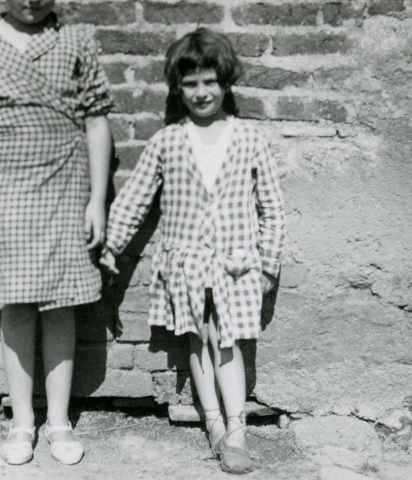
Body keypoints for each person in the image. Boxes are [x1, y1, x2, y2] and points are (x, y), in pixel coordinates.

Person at [100, 28, 285, 475]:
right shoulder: (167, 141)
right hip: (183, 263)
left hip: (235, 265)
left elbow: (272, 206)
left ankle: (237, 428)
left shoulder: (248, 138)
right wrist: (110, 249)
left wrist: (268, 262)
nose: (201, 93)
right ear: (178, 88)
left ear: (225, 84)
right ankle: (214, 422)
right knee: (196, 340)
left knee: (228, 341)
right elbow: (134, 201)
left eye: (209, 82)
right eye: (190, 84)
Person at [0, 0, 112, 466]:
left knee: (60, 303)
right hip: (4, 192)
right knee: (16, 304)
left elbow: (98, 121)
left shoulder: (74, 41)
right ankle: (22, 422)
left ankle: (58, 420)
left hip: (65, 186)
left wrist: (97, 199)